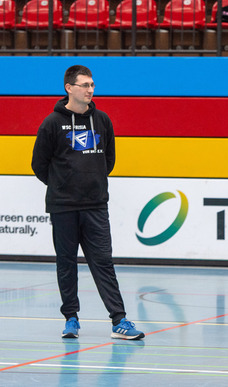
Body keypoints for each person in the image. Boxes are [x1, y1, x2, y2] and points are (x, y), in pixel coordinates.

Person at [31, 65, 145, 341]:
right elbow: (39, 164)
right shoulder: (51, 123)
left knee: (103, 262)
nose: (90, 90)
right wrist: (62, 186)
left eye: (92, 84)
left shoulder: (102, 120)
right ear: (69, 88)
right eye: (84, 85)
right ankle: (71, 318)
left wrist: (91, 182)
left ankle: (119, 320)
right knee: (66, 263)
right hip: (63, 207)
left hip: (95, 205)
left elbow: (109, 161)